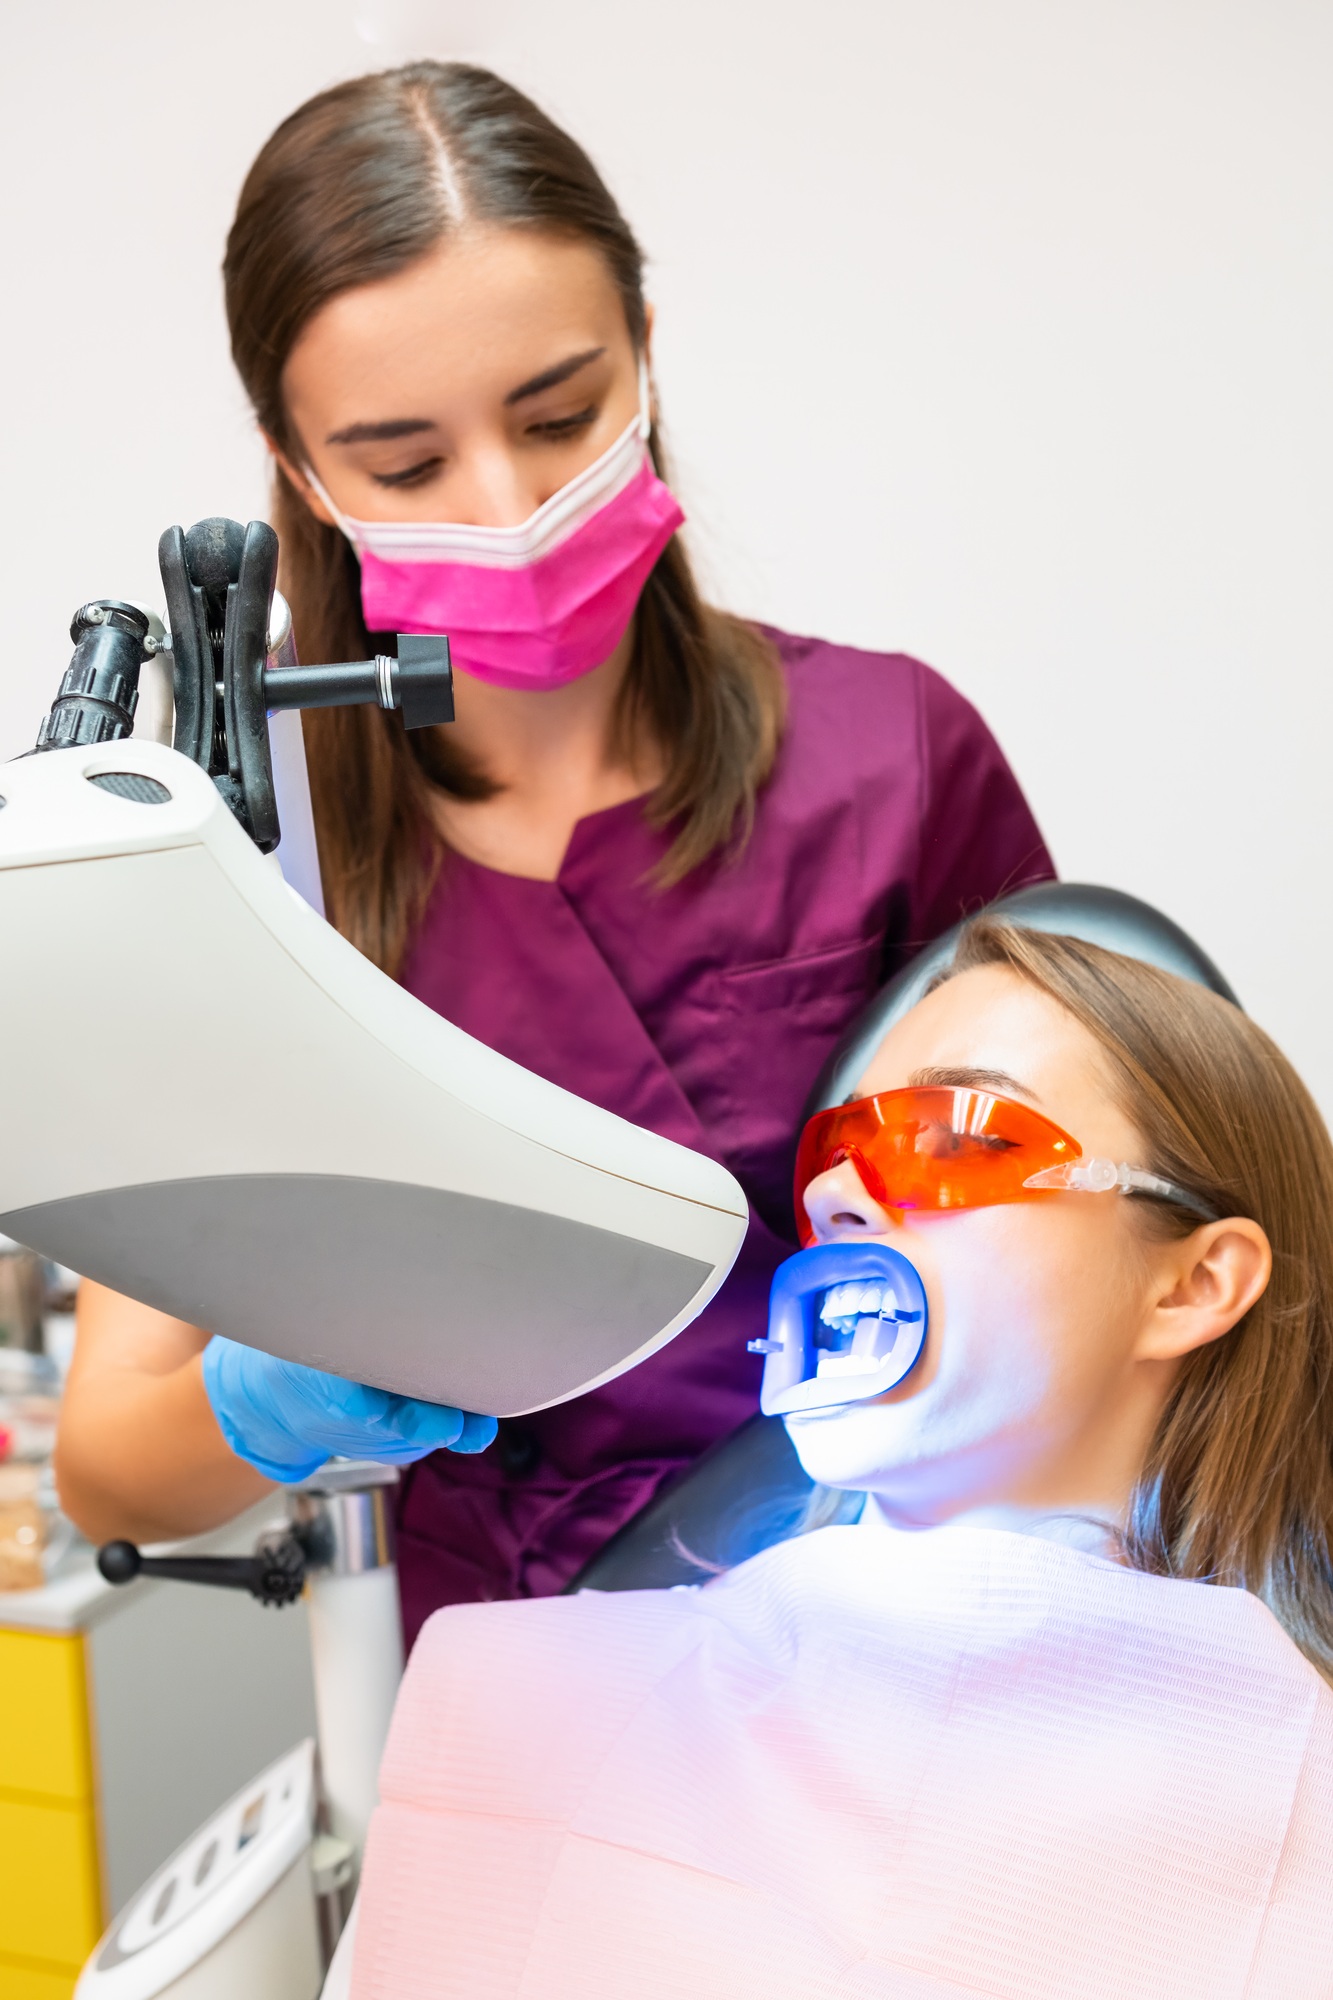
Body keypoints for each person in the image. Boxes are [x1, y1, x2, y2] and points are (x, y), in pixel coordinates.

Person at [54, 62, 1052, 1643]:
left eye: (559, 414)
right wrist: (271, 1405)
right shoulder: (251, 845)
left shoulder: (895, 760)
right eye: (404, 464)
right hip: (515, 1674)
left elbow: (1090, 1237)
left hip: (911, 1614)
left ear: (644, 356)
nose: (508, 506)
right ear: (299, 466)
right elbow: (112, 1468)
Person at [346, 922, 1333, 1998]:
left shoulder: (1296, 1792)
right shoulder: (525, 1705)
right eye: (833, 1154)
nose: (836, 1199)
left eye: (951, 1135)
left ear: (1192, 1284)